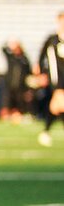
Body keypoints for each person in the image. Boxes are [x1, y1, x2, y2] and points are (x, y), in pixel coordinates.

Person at [36, 11, 64, 146]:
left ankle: (45, 132)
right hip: (57, 78)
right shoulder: (52, 39)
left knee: (56, 107)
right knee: (60, 104)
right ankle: (45, 132)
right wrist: (41, 72)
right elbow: (42, 56)